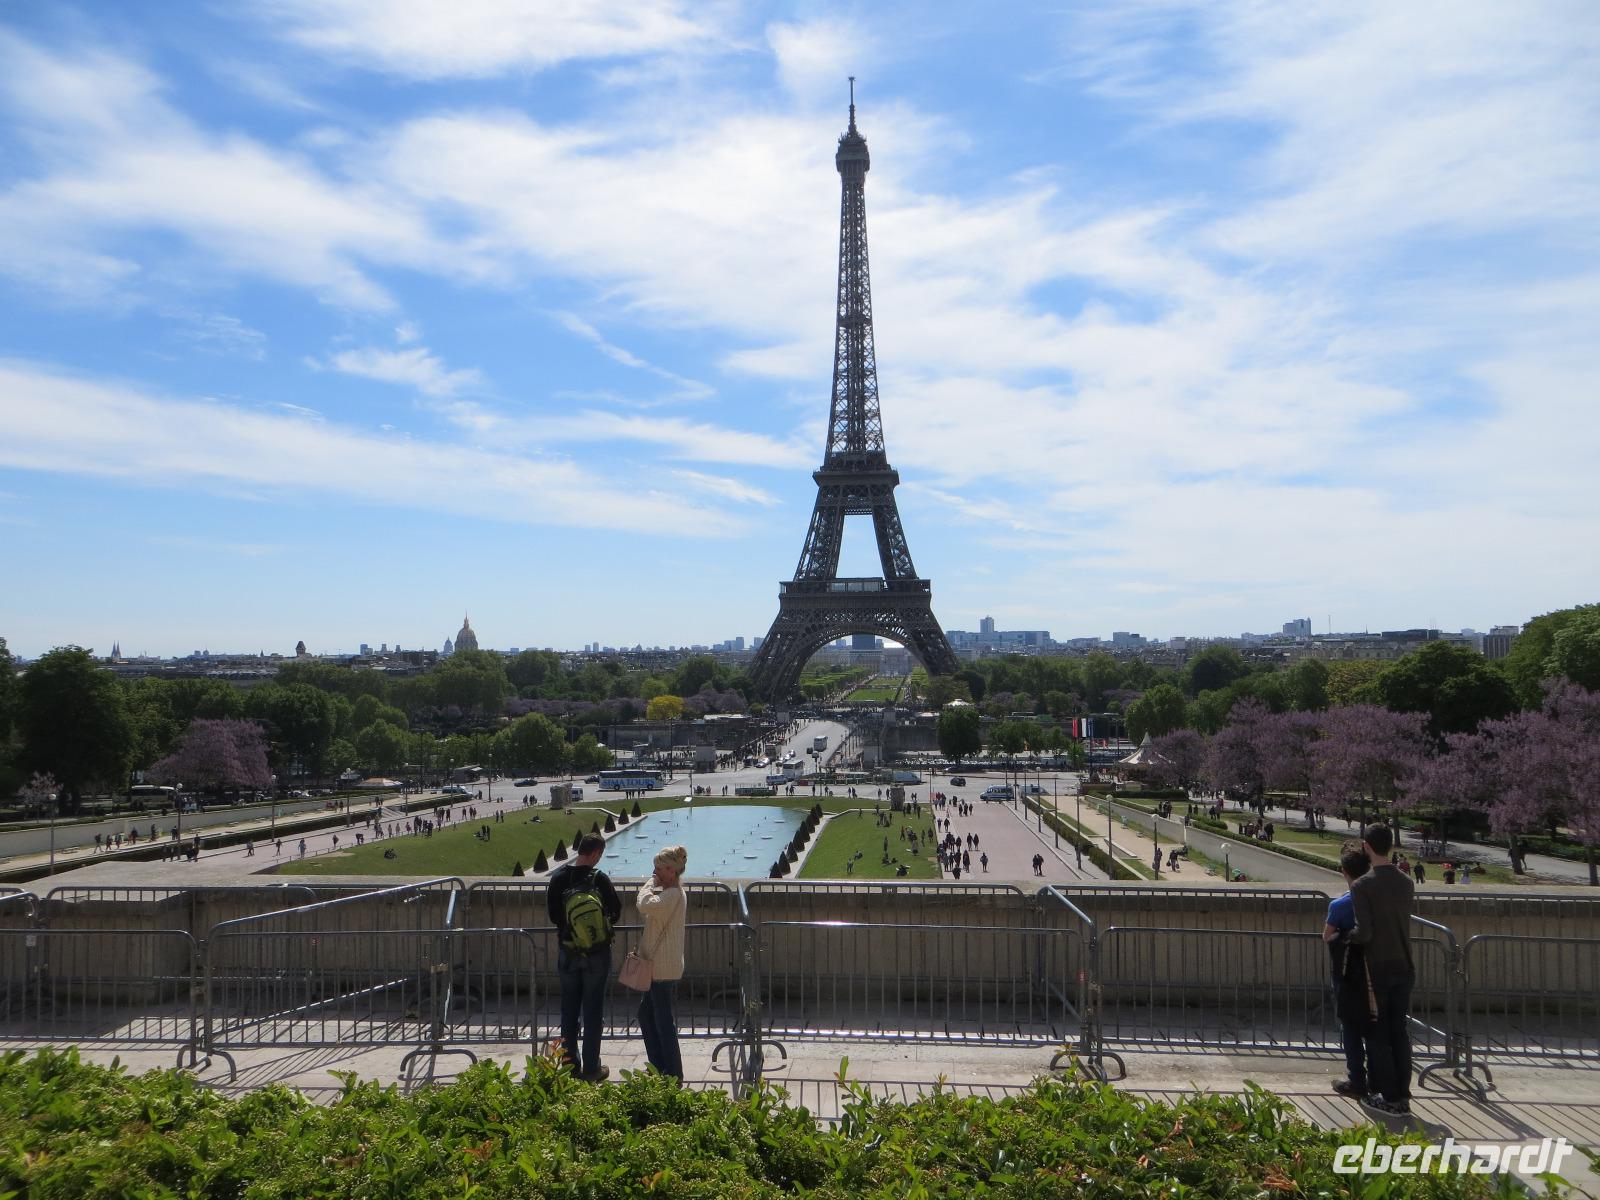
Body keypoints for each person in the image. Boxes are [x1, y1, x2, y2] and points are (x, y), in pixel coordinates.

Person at [1343, 823, 1416, 1116]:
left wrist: (1346, 938)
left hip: (1378, 968)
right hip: (1404, 964)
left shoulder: (1363, 885)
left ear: (1366, 846)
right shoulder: (1406, 882)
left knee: (1377, 1034)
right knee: (1399, 1033)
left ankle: (1388, 1096)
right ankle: (1402, 1094)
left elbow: (1365, 932)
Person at [546, 833, 621, 1082]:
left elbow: (554, 916)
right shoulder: (599, 879)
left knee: (568, 1012)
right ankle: (591, 1067)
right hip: (597, 953)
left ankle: (570, 1067)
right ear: (596, 853)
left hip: (568, 951)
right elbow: (616, 912)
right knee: (593, 1011)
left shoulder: (558, 878)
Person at [1324, 845, 1375, 1099]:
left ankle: (1357, 1079)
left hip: (1347, 973)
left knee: (1350, 1026)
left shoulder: (1340, 905)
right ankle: (1377, 1078)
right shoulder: (1376, 899)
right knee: (1375, 1026)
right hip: (1376, 968)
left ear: (1344, 872)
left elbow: (1327, 936)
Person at [635, 845, 688, 1081]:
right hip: (659, 966)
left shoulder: (672, 895)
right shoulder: (669, 893)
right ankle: (659, 1067)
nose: (655, 872)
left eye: (659, 868)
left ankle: (672, 1073)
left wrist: (649, 882)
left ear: (671, 871)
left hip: (662, 969)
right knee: (647, 1015)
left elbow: (644, 903)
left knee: (662, 1020)